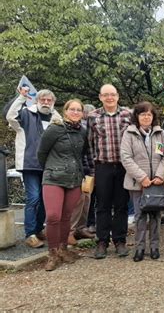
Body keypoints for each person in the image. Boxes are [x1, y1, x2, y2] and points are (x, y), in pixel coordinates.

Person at [37, 99, 89, 271]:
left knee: (67, 216)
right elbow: (41, 153)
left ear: (82, 113)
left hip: (74, 179)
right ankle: (52, 253)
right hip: (53, 178)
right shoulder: (54, 129)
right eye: (72, 109)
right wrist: (53, 168)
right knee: (53, 216)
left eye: (78, 110)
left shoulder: (82, 131)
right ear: (65, 111)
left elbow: (83, 154)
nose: (75, 112)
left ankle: (63, 249)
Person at [6, 88, 61, 248]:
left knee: (45, 199)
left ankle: (38, 230)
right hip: (29, 164)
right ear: (37, 101)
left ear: (53, 102)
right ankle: (30, 234)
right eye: (42, 99)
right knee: (34, 197)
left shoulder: (56, 118)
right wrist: (21, 97)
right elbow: (10, 116)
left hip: (49, 165)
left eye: (49, 100)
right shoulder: (25, 114)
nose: (45, 102)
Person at [87, 84, 132, 259]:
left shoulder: (128, 115)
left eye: (112, 94)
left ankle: (120, 240)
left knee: (121, 205)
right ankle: (102, 241)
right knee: (102, 205)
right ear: (100, 97)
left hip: (123, 167)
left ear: (118, 96)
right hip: (103, 166)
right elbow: (89, 144)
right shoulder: (93, 117)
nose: (109, 98)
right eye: (105, 95)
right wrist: (93, 169)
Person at [121, 101, 164, 262]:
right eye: (143, 114)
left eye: (149, 114)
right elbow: (126, 158)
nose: (146, 117)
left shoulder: (160, 133)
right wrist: (142, 177)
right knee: (140, 216)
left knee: (156, 215)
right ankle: (139, 248)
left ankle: (154, 247)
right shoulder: (129, 133)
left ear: (153, 116)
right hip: (138, 184)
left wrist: (160, 176)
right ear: (137, 116)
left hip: (156, 183)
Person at [69, 104, 96, 245]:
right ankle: (70, 232)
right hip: (72, 170)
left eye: (79, 110)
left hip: (86, 169)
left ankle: (81, 228)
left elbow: (89, 152)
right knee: (76, 202)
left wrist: (92, 169)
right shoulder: (63, 128)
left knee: (86, 200)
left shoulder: (85, 130)